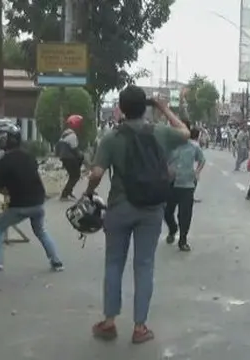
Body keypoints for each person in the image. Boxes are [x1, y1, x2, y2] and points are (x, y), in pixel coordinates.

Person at [84, 85, 190, 344]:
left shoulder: (111, 137)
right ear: (145, 108)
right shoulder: (160, 133)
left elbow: (97, 174)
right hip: (152, 210)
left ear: (120, 107)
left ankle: (109, 322)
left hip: (120, 207)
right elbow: (185, 132)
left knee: (113, 264)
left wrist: (88, 193)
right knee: (144, 266)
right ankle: (140, 327)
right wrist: (164, 108)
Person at [0, 123, 64, 275]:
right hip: (39, 203)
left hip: (19, 205)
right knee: (41, 231)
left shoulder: (0, 165)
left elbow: (1, 189)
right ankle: (56, 261)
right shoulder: (29, 157)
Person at [164, 124, 206, 252]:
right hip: (171, 184)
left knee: (185, 214)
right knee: (167, 212)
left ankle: (183, 240)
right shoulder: (169, 147)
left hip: (187, 184)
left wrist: (197, 171)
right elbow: (161, 160)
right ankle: (172, 229)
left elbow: (202, 160)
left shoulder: (194, 147)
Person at [57, 114, 85, 201]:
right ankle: (65, 194)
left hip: (64, 157)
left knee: (72, 175)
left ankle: (68, 192)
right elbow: (75, 150)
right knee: (76, 176)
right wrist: (82, 157)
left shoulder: (65, 133)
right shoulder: (72, 135)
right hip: (69, 157)